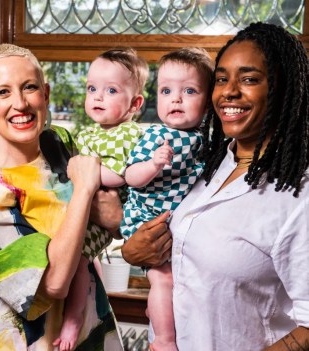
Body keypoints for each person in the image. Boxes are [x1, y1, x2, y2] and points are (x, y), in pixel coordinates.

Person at [121, 22, 309, 350]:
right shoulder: (206, 165)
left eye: (249, 79)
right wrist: (134, 251)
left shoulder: (298, 195)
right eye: (221, 79)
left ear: (282, 89)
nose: (229, 92)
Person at [0, 43, 123, 351]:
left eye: (29, 87)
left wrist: (115, 219)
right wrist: (84, 190)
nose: (20, 103)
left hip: (89, 333)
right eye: (3, 92)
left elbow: (109, 222)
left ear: (46, 93)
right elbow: (52, 283)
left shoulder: (58, 143)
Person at [54, 47, 149, 351]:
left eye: (110, 90)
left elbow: (120, 175)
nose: (97, 97)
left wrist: (82, 172)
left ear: (135, 104)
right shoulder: (89, 135)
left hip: (103, 219)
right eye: (92, 88)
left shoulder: (128, 135)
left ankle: (72, 320)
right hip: (84, 209)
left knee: (79, 259)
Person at [120, 47, 214, 351]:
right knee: (163, 280)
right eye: (166, 90)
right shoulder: (156, 137)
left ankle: (158, 313)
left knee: (173, 283)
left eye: (189, 90)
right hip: (148, 217)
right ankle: (163, 340)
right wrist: (153, 164)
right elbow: (130, 176)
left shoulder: (202, 138)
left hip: (172, 224)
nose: (176, 99)